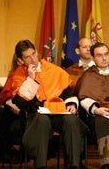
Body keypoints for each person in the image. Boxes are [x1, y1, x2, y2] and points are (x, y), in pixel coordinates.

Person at [10, 39, 87, 169]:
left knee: (71, 120)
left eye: (34, 54)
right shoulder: (19, 75)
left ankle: (74, 164)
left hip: (57, 113)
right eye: (27, 57)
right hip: (36, 117)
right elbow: (20, 103)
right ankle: (40, 165)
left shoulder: (54, 70)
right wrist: (30, 79)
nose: (33, 59)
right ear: (21, 60)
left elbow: (68, 94)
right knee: (42, 120)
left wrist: (72, 105)